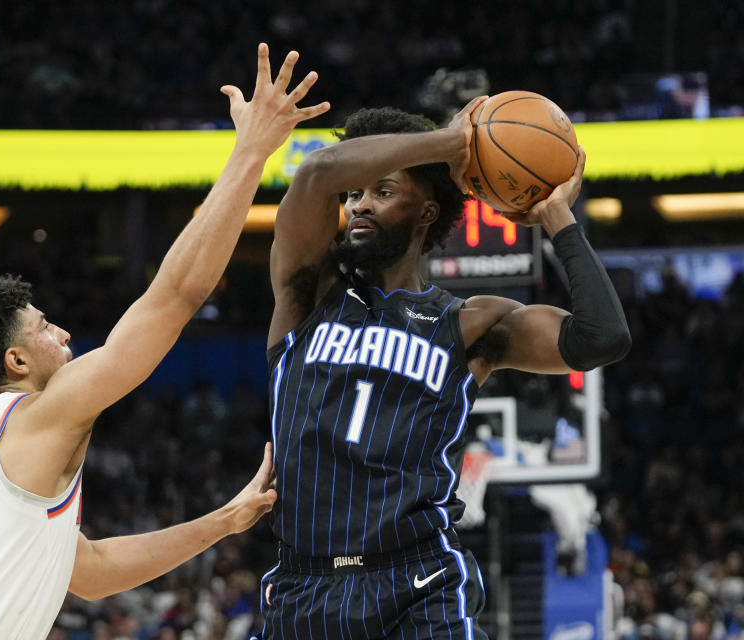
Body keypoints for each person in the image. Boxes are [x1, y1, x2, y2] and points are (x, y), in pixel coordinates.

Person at [0, 44, 329, 638]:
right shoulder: (36, 417)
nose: (64, 332)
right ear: (15, 360)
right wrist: (251, 152)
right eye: (44, 327)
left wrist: (224, 521)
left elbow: (88, 572)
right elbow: (174, 297)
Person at [259, 100, 630, 639]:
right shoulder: (308, 295)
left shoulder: (471, 325)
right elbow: (318, 172)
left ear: (427, 211)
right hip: (303, 585)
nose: (360, 205)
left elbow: (603, 337)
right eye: (356, 194)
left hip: (419, 582)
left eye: (383, 192)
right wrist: (452, 144)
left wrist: (558, 219)